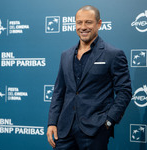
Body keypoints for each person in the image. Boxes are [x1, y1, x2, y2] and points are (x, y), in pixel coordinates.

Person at [47, 5, 132, 150]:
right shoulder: (65, 55)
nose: (83, 27)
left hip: (95, 130)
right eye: (79, 22)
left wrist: (108, 122)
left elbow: (125, 91)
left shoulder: (113, 54)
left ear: (99, 24)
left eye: (88, 22)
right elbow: (58, 92)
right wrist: (52, 122)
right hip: (64, 130)